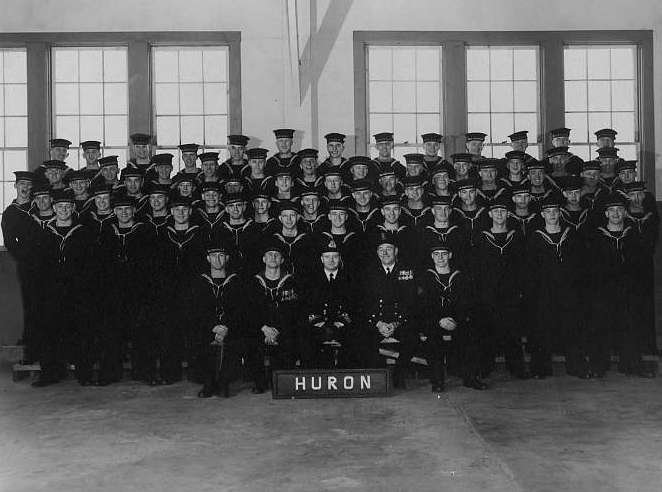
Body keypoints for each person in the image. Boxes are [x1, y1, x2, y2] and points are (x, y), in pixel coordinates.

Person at [586, 193, 654, 378]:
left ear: (625, 213)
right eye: (612, 210)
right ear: (606, 214)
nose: (616, 213)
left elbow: (640, 266)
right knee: (601, 328)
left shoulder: (633, 235)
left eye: (619, 210)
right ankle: (599, 366)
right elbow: (591, 268)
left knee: (630, 327)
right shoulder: (597, 237)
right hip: (604, 291)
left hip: (627, 291)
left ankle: (631, 365)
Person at [33, 189, 94, 387]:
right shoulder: (45, 234)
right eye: (60, 207)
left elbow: (90, 266)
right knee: (51, 332)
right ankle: (51, 373)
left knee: (81, 331)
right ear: (54, 208)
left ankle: (84, 373)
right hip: (52, 292)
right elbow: (39, 266)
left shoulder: (83, 233)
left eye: (67, 206)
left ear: (73, 208)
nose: (64, 210)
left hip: (78, 292)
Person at [96, 192, 157, 386]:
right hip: (114, 292)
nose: (124, 213)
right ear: (114, 211)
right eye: (120, 209)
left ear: (134, 210)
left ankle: (144, 372)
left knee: (142, 332)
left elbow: (150, 264)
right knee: (112, 333)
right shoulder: (107, 232)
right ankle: (110, 373)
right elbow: (101, 264)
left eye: (127, 209)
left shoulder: (145, 231)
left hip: (138, 291)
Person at [525, 194, 586, 379]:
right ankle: (540, 368)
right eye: (548, 211)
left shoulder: (571, 234)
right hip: (544, 291)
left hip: (568, 290)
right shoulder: (535, 237)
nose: (552, 214)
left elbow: (579, 264)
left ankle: (576, 366)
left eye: (555, 211)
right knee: (542, 328)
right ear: (542, 214)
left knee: (572, 327)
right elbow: (530, 268)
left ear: (560, 213)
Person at [472, 196, 528, 379]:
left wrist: (520, 288)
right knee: (487, 330)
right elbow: (477, 268)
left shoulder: (516, 237)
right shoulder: (482, 238)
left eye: (503, 211)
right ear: (489, 214)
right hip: (488, 292)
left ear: (508, 214)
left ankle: (516, 367)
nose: (499, 214)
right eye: (495, 211)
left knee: (512, 331)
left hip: (510, 292)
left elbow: (522, 266)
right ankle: (485, 367)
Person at [419, 243, 486, 391]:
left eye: (444, 254)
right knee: (432, 339)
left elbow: (467, 303)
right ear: (432, 257)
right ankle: (437, 381)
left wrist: (456, 320)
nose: (440, 258)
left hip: (457, 320)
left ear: (450, 255)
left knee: (471, 334)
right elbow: (424, 305)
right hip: (435, 321)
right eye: (436, 254)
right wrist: (439, 320)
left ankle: (470, 377)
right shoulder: (425, 277)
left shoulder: (461, 277)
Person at [187, 238, 245, 398]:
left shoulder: (236, 282)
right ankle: (208, 382)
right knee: (198, 337)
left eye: (221, 256)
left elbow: (240, 310)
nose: (217, 260)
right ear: (208, 259)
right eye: (214, 256)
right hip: (208, 327)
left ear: (227, 258)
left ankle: (224, 382)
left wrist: (226, 327)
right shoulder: (199, 282)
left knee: (237, 340)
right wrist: (213, 327)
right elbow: (196, 310)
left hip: (230, 327)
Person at [359, 232, 417, 388]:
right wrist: (378, 324)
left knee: (412, 338)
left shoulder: (406, 271)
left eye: (389, 249)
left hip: (399, 321)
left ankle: (398, 373)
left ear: (396, 251)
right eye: (381, 249)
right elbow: (364, 302)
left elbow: (411, 301)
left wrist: (396, 323)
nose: (385, 253)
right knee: (362, 338)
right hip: (377, 321)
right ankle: (379, 375)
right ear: (377, 252)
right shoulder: (368, 272)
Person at [245, 241, 302, 393]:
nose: (273, 257)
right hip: (261, 328)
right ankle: (259, 382)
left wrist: (277, 330)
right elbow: (250, 311)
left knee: (291, 339)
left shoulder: (291, 282)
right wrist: (264, 329)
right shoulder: (254, 282)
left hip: (283, 329)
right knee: (250, 340)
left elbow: (294, 312)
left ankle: (280, 379)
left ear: (282, 260)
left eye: (277, 255)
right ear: (264, 259)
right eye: (269, 255)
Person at [300, 237, 358, 369]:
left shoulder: (350, 278)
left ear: (340, 258)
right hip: (318, 324)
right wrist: (320, 323)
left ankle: (345, 375)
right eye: (327, 257)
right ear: (321, 259)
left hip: (342, 324)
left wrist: (340, 322)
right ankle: (315, 376)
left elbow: (354, 306)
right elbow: (306, 306)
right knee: (305, 339)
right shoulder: (310, 279)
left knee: (354, 338)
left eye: (335, 256)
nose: (331, 260)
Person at [1, 171, 40, 363]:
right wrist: (26, 258)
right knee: (30, 305)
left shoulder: (38, 208)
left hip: (46, 263)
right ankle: (31, 349)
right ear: (16, 186)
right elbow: (10, 242)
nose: (26, 188)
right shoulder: (10, 212)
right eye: (22, 184)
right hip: (26, 264)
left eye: (29, 185)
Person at [623, 181, 659, 353]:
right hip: (626, 267)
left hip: (645, 266)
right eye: (632, 195)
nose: (636, 198)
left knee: (646, 305)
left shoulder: (651, 217)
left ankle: (647, 345)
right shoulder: (622, 217)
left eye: (640, 194)